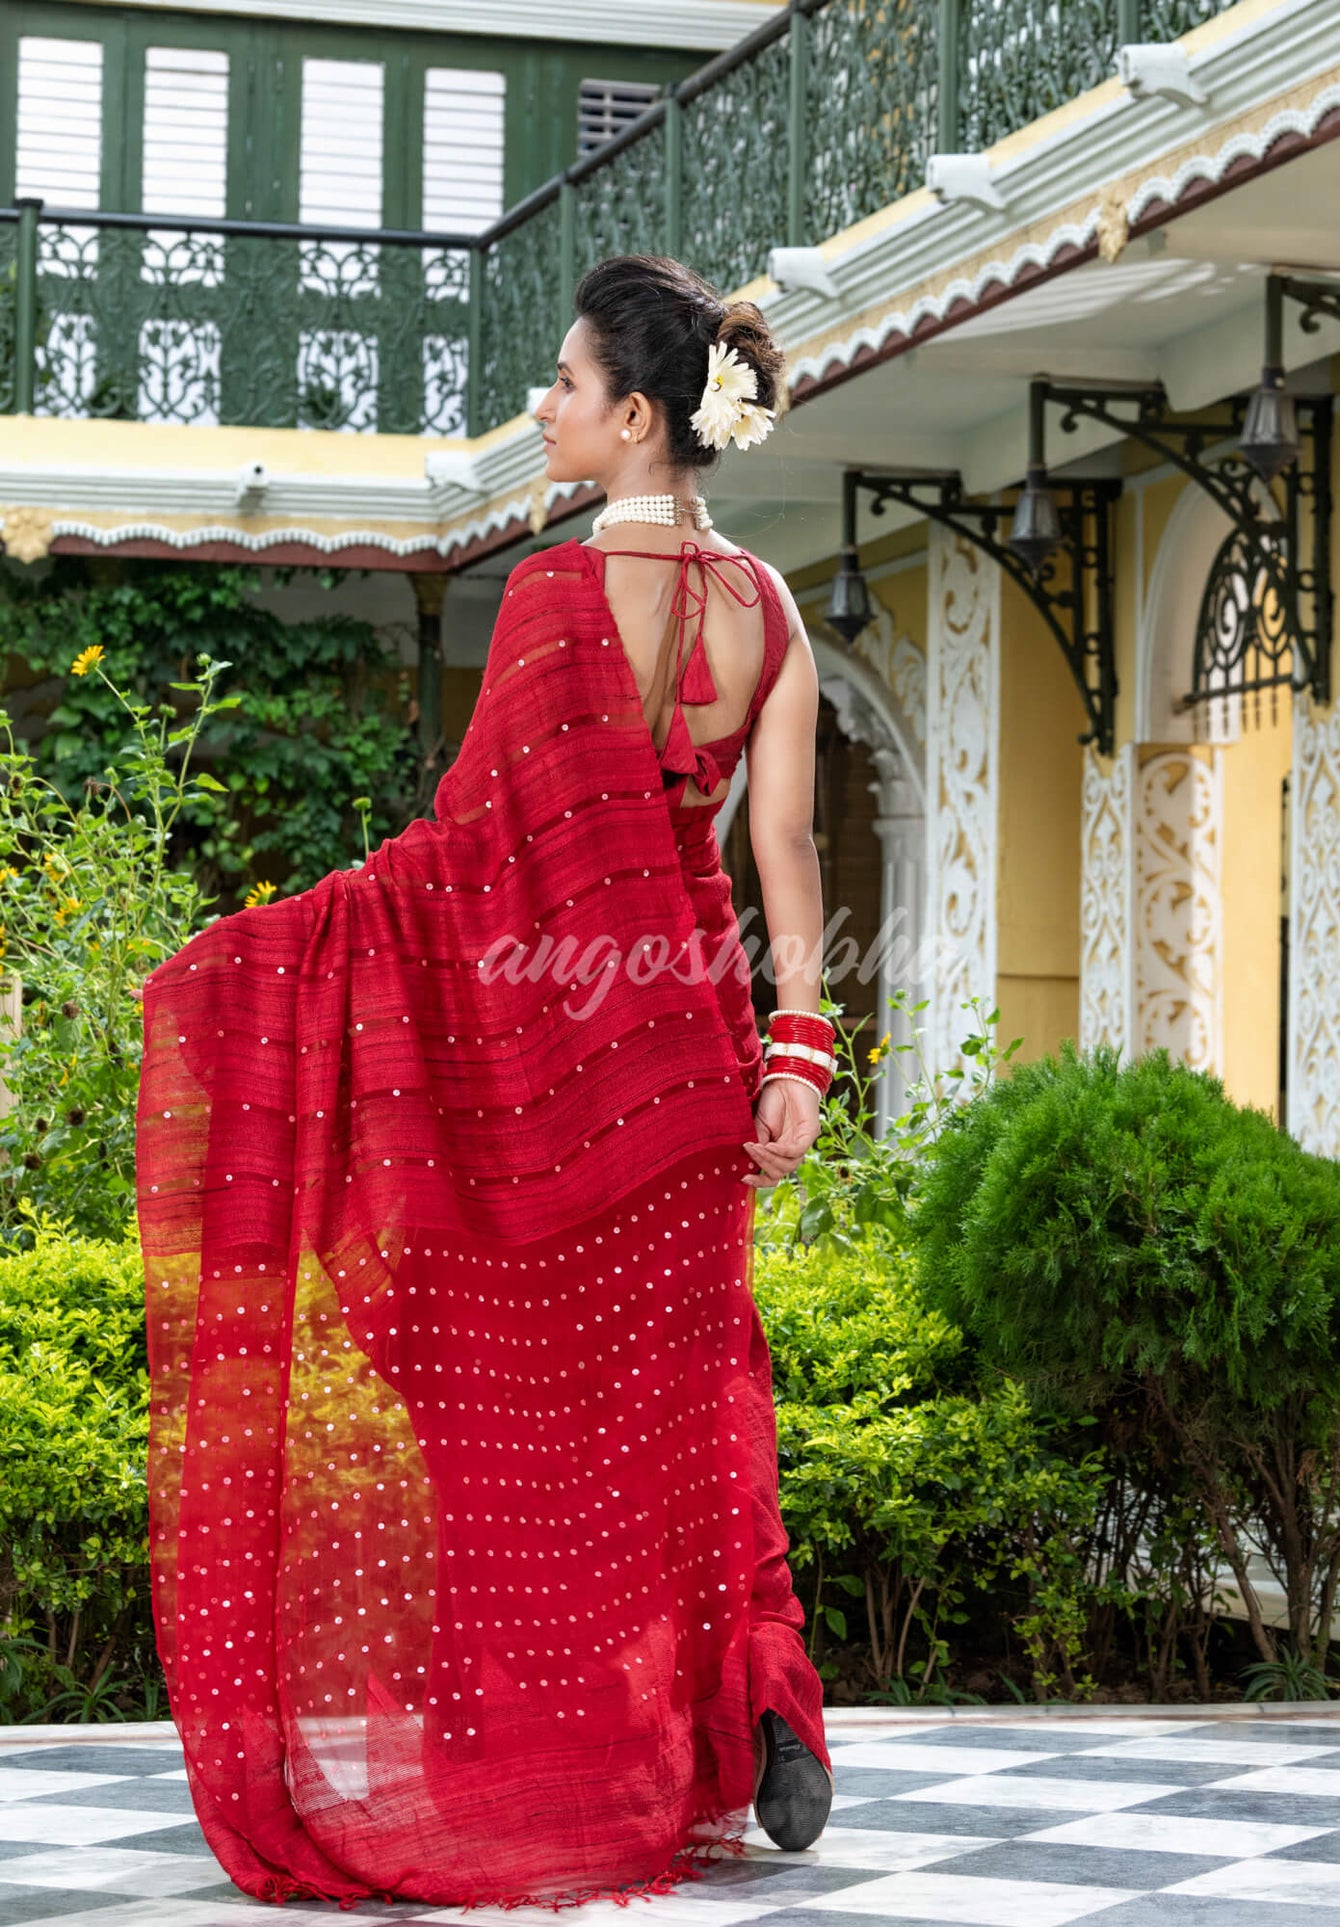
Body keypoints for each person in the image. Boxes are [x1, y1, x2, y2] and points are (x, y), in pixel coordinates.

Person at [134, 252, 834, 1913]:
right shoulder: (769, 607)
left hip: (542, 1066)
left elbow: (468, 860)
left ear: (636, 416)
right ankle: (756, 1697)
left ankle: (544, 1749)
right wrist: (798, 1055)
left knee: (504, 1403)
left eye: (566, 384)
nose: (543, 405)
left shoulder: (552, 599)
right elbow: (787, 850)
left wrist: (266, 958)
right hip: (684, 1054)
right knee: (688, 1389)